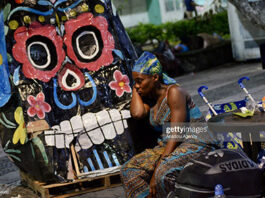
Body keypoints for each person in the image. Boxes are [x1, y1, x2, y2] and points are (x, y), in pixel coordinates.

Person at [120, 51, 218, 198]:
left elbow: (177, 133)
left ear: (155, 77)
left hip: (196, 141)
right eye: (135, 82)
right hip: (170, 145)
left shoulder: (174, 92)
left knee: (162, 173)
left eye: (140, 81)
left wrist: (157, 169)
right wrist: (136, 87)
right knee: (129, 170)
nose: (138, 86)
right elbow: (137, 113)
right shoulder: (150, 98)